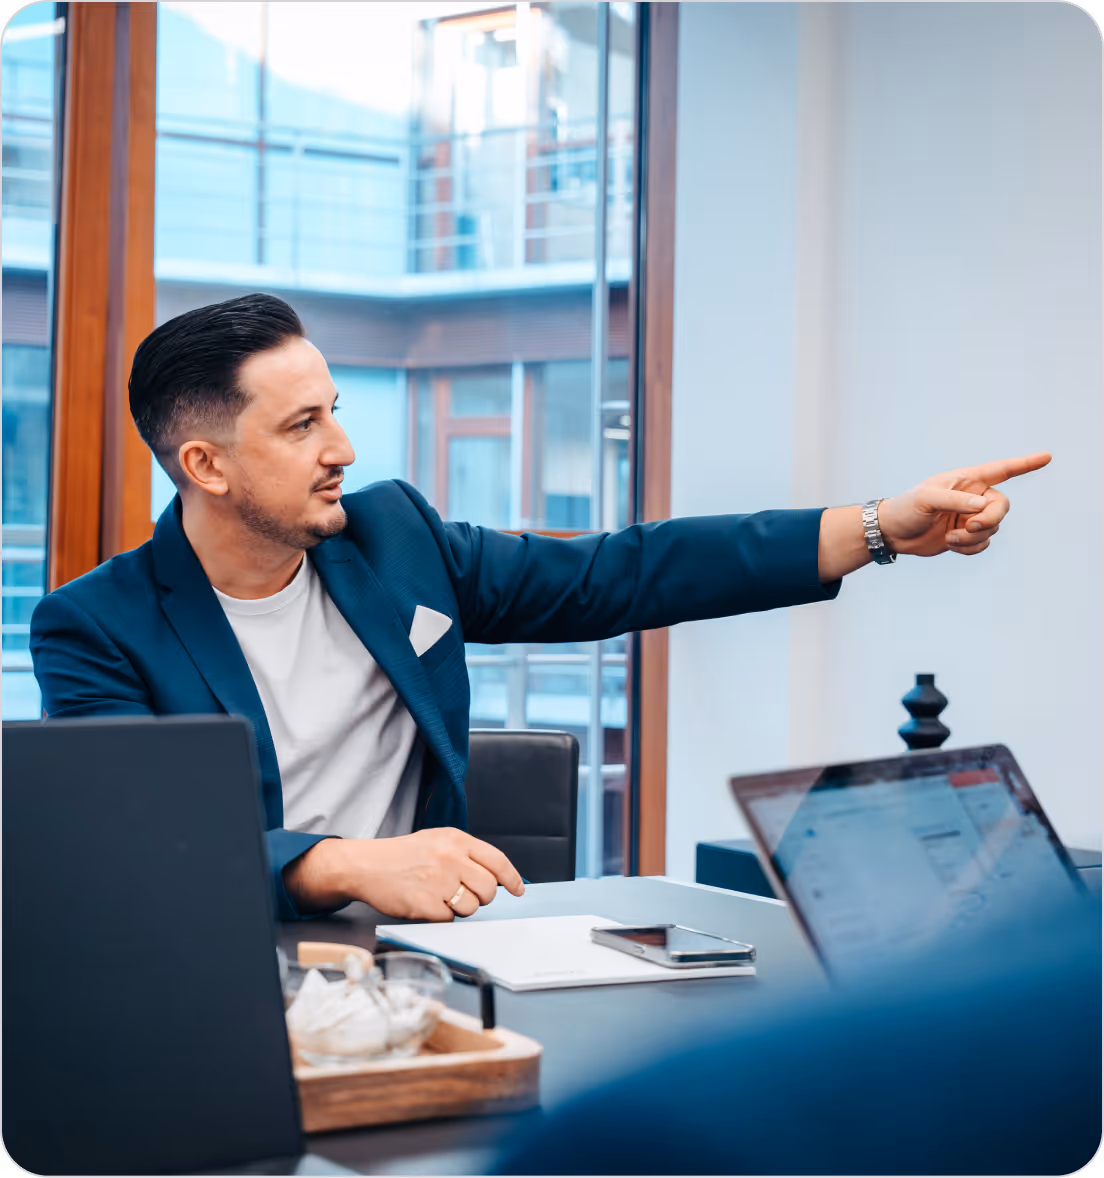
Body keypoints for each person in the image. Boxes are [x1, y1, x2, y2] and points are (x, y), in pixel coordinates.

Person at [30, 294, 1051, 922]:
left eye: (335, 408)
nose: (342, 446)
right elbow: (133, 855)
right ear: (204, 463)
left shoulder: (396, 539)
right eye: (303, 424)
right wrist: (344, 863)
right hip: (231, 977)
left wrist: (877, 525)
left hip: (435, 964)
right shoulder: (97, 625)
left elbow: (621, 571)